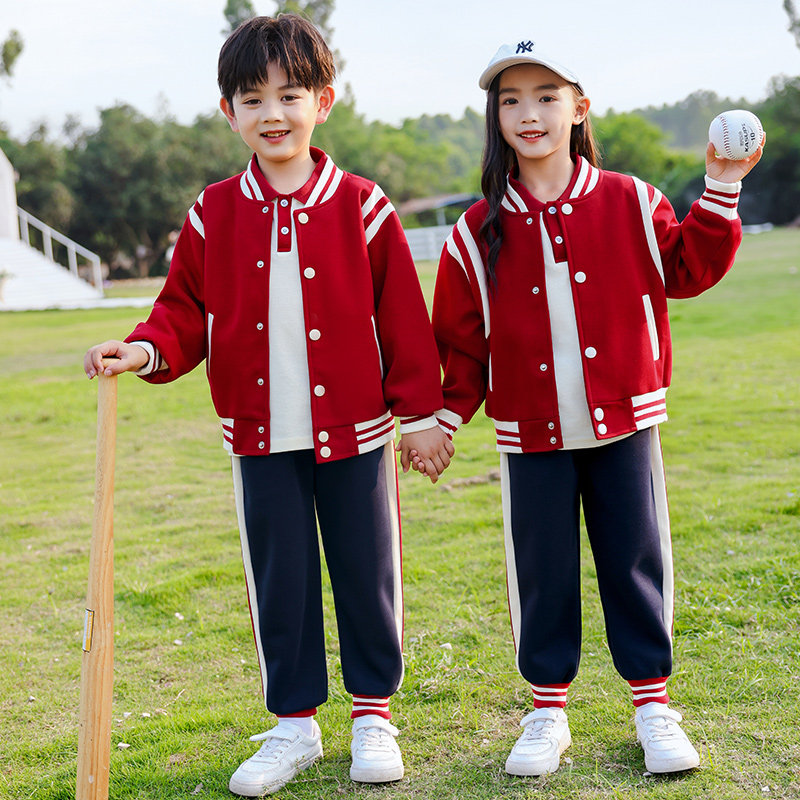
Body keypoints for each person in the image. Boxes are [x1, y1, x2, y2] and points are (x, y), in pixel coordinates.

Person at [84, 15, 453, 796]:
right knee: (278, 582)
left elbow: (404, 320)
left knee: (366, 572)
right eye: (253, 99)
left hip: (357, 432)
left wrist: (420, 414)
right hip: (259, 437)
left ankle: (372, 716)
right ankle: (293, 727)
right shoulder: (213, 212)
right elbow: (182, 310)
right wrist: (143, 350)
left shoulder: (362, 204)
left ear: (323, 100)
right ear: (229, 113)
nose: (273, 114)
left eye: (290, 94)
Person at [422, 39, 764, 777]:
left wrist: (721, 186)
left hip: (625, 423)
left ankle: (652, 706)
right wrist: (444, 418)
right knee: (541, 574)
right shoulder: (475, 230)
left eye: (547, 95)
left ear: (580, 108)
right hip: (529, 434)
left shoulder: (632, 200)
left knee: (636, 563)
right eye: (510, 99)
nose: (528, 112)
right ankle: (547, 713)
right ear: (496, 116)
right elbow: (461, 343)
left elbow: (689, 267)